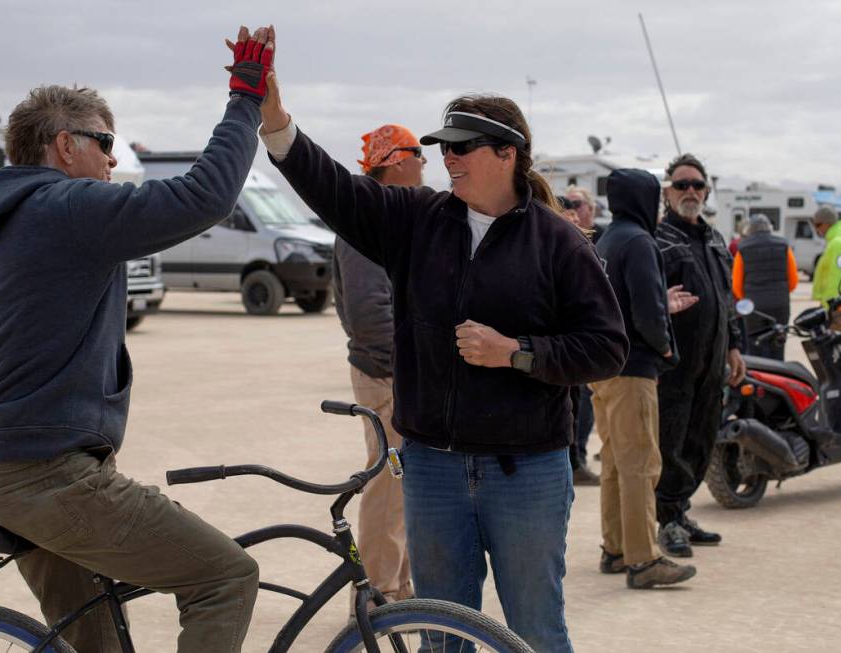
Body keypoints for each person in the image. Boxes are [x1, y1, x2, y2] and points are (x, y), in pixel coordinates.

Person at [258, 36, 628, 651]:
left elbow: (606, 348)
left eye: (461, 147)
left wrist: (518, 351)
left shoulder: (560, 242)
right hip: (431, 467)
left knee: (535, 630)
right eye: (442, 149)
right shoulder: (418, 221)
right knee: (440, 637)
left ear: (508, 153)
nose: (446, 158)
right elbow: (334, 189)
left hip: (527, 471)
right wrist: (275, 119)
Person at [0, 26, 273, 653]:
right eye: (105, 142)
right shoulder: (70, 207)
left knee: (96, 643)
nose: (113, 160)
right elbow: (203, 196)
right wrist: (244, 100)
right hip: (48, 481)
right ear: (65, 145)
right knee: (226, 576)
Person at [332, 123, 425, 607]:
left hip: (399, 374)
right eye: (419, 156)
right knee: (389, 482)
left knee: (404, 484)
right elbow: (370, 315)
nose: (426, 165)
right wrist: (410, 363)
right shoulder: (367, 220)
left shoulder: (391, 214)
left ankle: (399, 587)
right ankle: (378, 594)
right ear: (396, 161)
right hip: (387, 376)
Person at [592, 168, 697, 589]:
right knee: (641, 464)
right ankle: (643, 559)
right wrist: (666, 348)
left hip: (604, 368)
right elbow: (648, 311)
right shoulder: (639, 241)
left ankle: (615, 548)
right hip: (633, 368)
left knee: (616, 462)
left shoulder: (608, 238)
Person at [654, 153, 745, 558]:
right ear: (667, 191)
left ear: (707, 191)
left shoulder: (715, 239)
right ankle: (667, 519)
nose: (689, 191)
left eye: (696, 185)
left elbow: (728, 297)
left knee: (702, 439)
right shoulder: (658, 239)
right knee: (670, 442)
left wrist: (734, 345)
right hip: (675, 364)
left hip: (712, 362)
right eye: (681, 185)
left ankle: (681, 510)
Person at [556, 192, 599, 486]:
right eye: (568, 210)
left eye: (578, 207)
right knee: (570, 407)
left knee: (579, 405)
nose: (574, 215)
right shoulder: (558, 247)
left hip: (574, 347)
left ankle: (575, 459)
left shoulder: (587, 245)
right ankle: (571, 462)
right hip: (559, 349)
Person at [732, 214, 799, 359]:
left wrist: (746, 300)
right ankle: (778, 378)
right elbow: (793, 281)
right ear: (770, 228)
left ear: (750, 230)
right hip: (780, 305)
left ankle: (759, 380)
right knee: (778, 345)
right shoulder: (783, 245)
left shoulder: (742, 248)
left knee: (755, 345)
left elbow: (736, 285)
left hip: (754, 308)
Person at [811, 206, 841, 336]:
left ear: (827, 223)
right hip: (839, 304)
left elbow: (838, 278)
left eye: (818, 224)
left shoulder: (838, 243)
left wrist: (829, 306)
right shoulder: (839, 241)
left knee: (837, 347)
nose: (817, 229)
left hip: (837, 306)